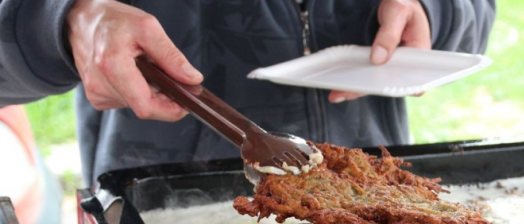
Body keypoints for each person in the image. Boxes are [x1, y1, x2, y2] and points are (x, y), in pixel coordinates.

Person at [0, 0, 496, 186]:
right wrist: (64, 21)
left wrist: (435, 12)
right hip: (156, 209)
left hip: (362, 191)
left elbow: (474, 9)